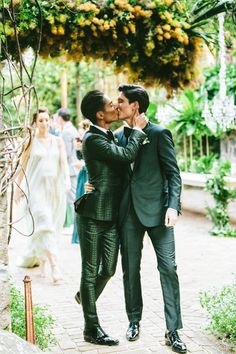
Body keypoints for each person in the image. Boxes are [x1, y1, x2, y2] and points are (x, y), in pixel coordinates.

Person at [115, 84, 187, 353]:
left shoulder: (158, 134)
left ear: (135, 105)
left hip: (159, 213)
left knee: (168, 268)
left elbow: (173, 174)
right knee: (130, 269)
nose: (116, 104)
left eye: (121, 101)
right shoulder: (120, 137)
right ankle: (134, 320)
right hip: (129, 214)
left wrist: (172, 206)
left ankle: (174, 330)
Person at [74, 90, 147, 346]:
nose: (116, 107)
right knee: (91, 270)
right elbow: (126, 156)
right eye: (110, 105)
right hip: (93, 215)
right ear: (99, 114)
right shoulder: (93, 139)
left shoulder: (108, 135)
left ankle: (86, 295)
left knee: (109, 269)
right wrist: (138, 131)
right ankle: (91, 328)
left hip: (113, 214)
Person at [14, 108, 70, 283]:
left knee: (49, 227)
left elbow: (64, 163)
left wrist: (67, 181)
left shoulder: (58, 141)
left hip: (54, 191)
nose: (44, 124)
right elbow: (22, 166)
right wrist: (18, 188)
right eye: (41, 121)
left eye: (47, 120)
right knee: (45, 223)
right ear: (35, 123)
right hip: (36, 190)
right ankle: (55, 267)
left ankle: (43, 262)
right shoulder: (30, 142)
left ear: (51, 121)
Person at [57, 108, 78, 227]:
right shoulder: (72, 129)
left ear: (60, 118)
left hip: (70, 169)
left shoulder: (66, 132)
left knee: (71, 199)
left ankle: (72, 225)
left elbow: (66, 153)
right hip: (74, 167)